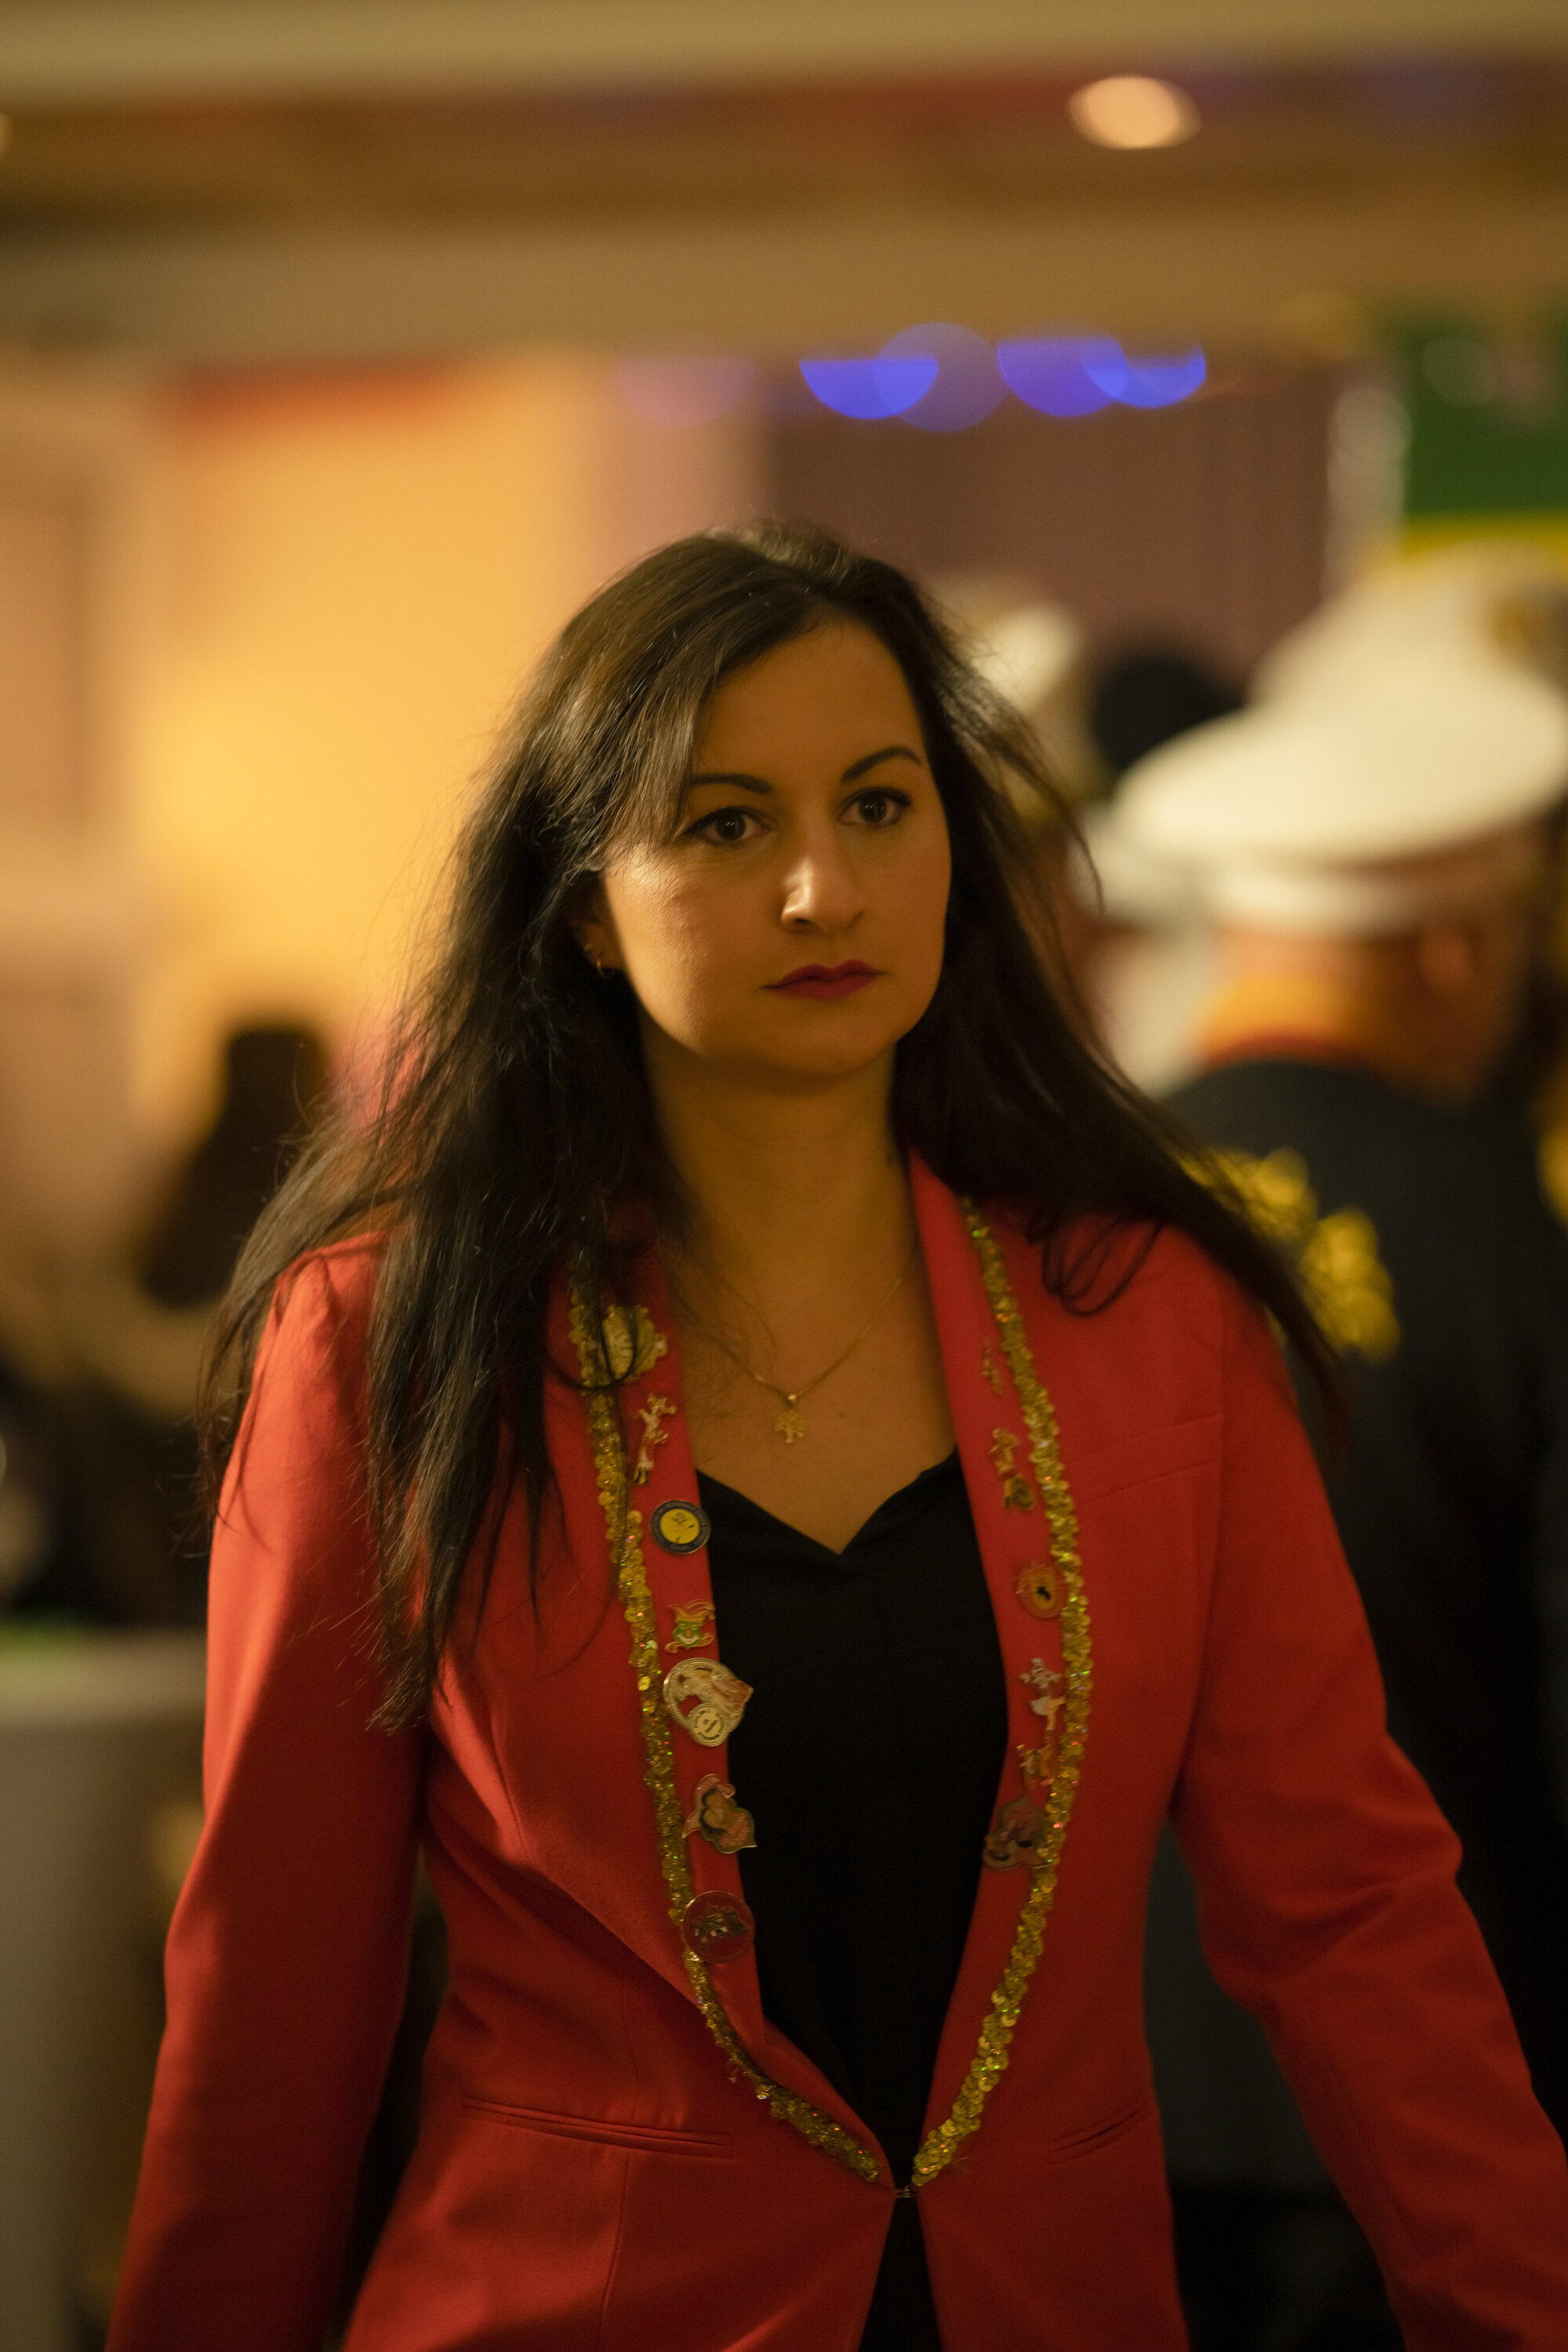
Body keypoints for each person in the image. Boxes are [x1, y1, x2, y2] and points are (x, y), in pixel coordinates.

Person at [106, 525, 1568, 2352]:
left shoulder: (1152, 1324)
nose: (823, 889)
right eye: (725, 825)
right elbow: (277, 1994)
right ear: (581, 901)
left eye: (878, 806)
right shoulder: (390, 1341)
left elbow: (1347, 1910)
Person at [1111, 631, 1568, 2340]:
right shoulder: (1517, 1235)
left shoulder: (1054, 1210)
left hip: (1069, 2095)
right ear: (1459, 947)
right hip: (1426, 2110)